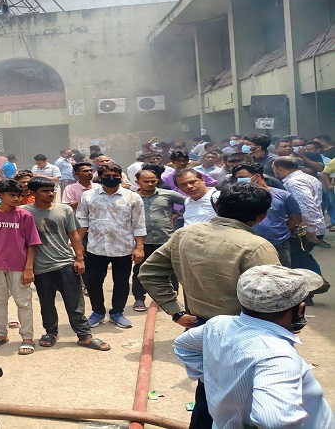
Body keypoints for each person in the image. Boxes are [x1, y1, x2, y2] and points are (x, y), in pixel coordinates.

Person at [138, 183, 279, 427]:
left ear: (217, 205)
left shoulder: (185, 233)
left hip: (199, 327)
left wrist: (176, 311)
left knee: (208, 391)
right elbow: (274, 299)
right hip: (242, 333)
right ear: (261, 216)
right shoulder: (256, 247)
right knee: (245, 400)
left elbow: (149, 272)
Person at [174, 265, 333, 427]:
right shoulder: (278, 356)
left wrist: (214, 379)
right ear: (300, 309)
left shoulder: (218, 325)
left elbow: (183, 346)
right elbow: (273, 421)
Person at [22, 178, 109, 351]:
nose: (50, 194)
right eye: (44, 191)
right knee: (46, 303)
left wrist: (79, 258)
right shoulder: (24, 212)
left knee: (75, 303)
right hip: (41, 267)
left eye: (51, 190)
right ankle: (51, 332)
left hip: (65, 263)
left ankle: (84, 336)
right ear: (33, 193)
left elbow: (74, 235)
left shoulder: (65, 209)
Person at [76, 163, 145, 329]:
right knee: (93, 282)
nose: (112, 178)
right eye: (107, 175)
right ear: (99, 177)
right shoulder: (88, 196)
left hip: (123, 248)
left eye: (116, 175)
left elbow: (139, 223)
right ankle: (98, 312)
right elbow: (82, 221)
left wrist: (139, 247)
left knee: (121, 282)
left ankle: (117, 313)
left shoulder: (132, 197)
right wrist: (78, 246)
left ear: (121, 176)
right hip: (96, 248)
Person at [0, 179, 41, 355]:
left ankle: (27, 337)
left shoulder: (25, 216)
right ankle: (1, 335)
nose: (16, 199)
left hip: (19, 266)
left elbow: (32, 243)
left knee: (23, 302)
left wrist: (29, 268)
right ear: (0, 196)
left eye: (18, 195)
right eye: (11, 195)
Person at [132, 169, 185, 312]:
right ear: (137, 182)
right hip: (143, 241)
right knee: (140, 269)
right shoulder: (132, 197)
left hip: (165, 238)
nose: (150, 184)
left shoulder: (167, 194)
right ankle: (139, 298)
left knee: (170, 269)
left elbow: (189, 203)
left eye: (153, 181)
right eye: (146, 181)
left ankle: (171, 299)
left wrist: (177, 214)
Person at [274, 157, 329, 292]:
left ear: (280, 169)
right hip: (313, 224)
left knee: (296, 259)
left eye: (274, 169)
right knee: (299, 256)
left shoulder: (294, 182)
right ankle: (314, 284)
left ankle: (315, 283)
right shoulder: (308, 178)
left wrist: (309, 229)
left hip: (306, 227)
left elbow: (306, 207)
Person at [232, 163, 301, 267]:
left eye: (242, 177)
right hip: (247, 244)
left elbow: (296, 218)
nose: (239, 181)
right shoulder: (236, 197)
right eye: (237, 178)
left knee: (282, 273)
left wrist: (279, 228)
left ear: (257, 176)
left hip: (278, 243)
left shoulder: (282, 195)